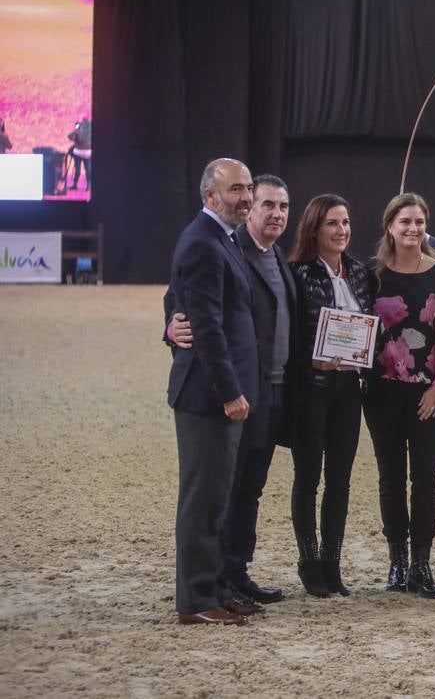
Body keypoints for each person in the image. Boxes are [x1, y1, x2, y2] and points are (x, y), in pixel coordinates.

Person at [166, 174, 298, 607]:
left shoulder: (276, 256)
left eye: (282, 206)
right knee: (215, 494)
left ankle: (230, 578)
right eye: (244, 193)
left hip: (269, 391)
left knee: (243, 491)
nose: (268, 210)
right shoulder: (217, 242)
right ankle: (205, 593)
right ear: (210, 195)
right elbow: (190, 306)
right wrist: (172, 327)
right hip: (230, 393)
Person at [164, 158, 257, 625]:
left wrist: (170, 321)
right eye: (235, 189)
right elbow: (207, 329)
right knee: (202, 500)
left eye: (248, 188)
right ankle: (197, 600)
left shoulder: (223, 238)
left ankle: (217, 588)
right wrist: (229, 392)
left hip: (220, 393)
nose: (245, 197)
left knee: (217, 497)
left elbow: (178, 299)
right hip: (207, 396)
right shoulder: (203, 242)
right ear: (210, 196)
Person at [368, 192, 435, 599]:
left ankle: (421, 564)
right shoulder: (370, 274)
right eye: (404, 221)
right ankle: (396, 562)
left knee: (425, 477)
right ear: (390, 225)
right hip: (380, 392)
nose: (412, 229)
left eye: (419, 222)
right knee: (390, 478)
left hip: (429, 394)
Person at [289, 194, 377, 597]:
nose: (341, 231)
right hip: (311, 391)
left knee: (339, 480)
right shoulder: (297, 274)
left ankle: (332, 562)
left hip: (349, 391)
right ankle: (308, 561)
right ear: (315, 230)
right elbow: (289, 337)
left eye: (345, 223)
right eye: (332, 224)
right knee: (308, 476)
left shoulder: (360, 273)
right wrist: (312, 361)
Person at [66, 116, 91, 190]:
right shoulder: (90, 129)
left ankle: (75, 185)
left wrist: (77, 129)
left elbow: (70, 136)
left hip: (78, 152)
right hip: (88, 153)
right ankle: (88, 186)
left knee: (77, 169)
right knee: (88, 169)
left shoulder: (79, 129)